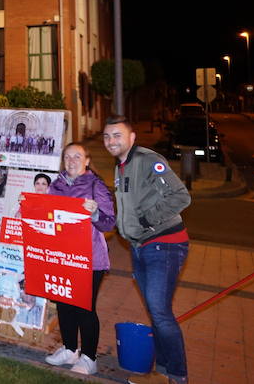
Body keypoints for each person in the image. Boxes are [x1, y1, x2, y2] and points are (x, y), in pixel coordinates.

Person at [103, 116, 191, 384]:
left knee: (161, 314)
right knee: (157, 312)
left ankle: (177, 376)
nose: (111, 141)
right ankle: (162, 373)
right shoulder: (121, 166)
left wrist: (144, 221)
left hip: (164, 244)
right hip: (141, 246)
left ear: (132, 138)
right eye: (106, 137)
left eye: (117, 135)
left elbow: (180, 196)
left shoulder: (146, 160)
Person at [43, 142, 115, 376]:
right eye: (68, 156)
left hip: (90, 258)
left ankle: (89, 357)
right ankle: (70, 349)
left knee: (84, 307)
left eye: (77, 156)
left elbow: (109, 222)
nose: (72, 161)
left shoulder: (96, 186)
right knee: (63, 303)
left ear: (86, 161)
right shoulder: (57, 185)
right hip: (63, 256)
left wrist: (94, 212)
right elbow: (48, 218)